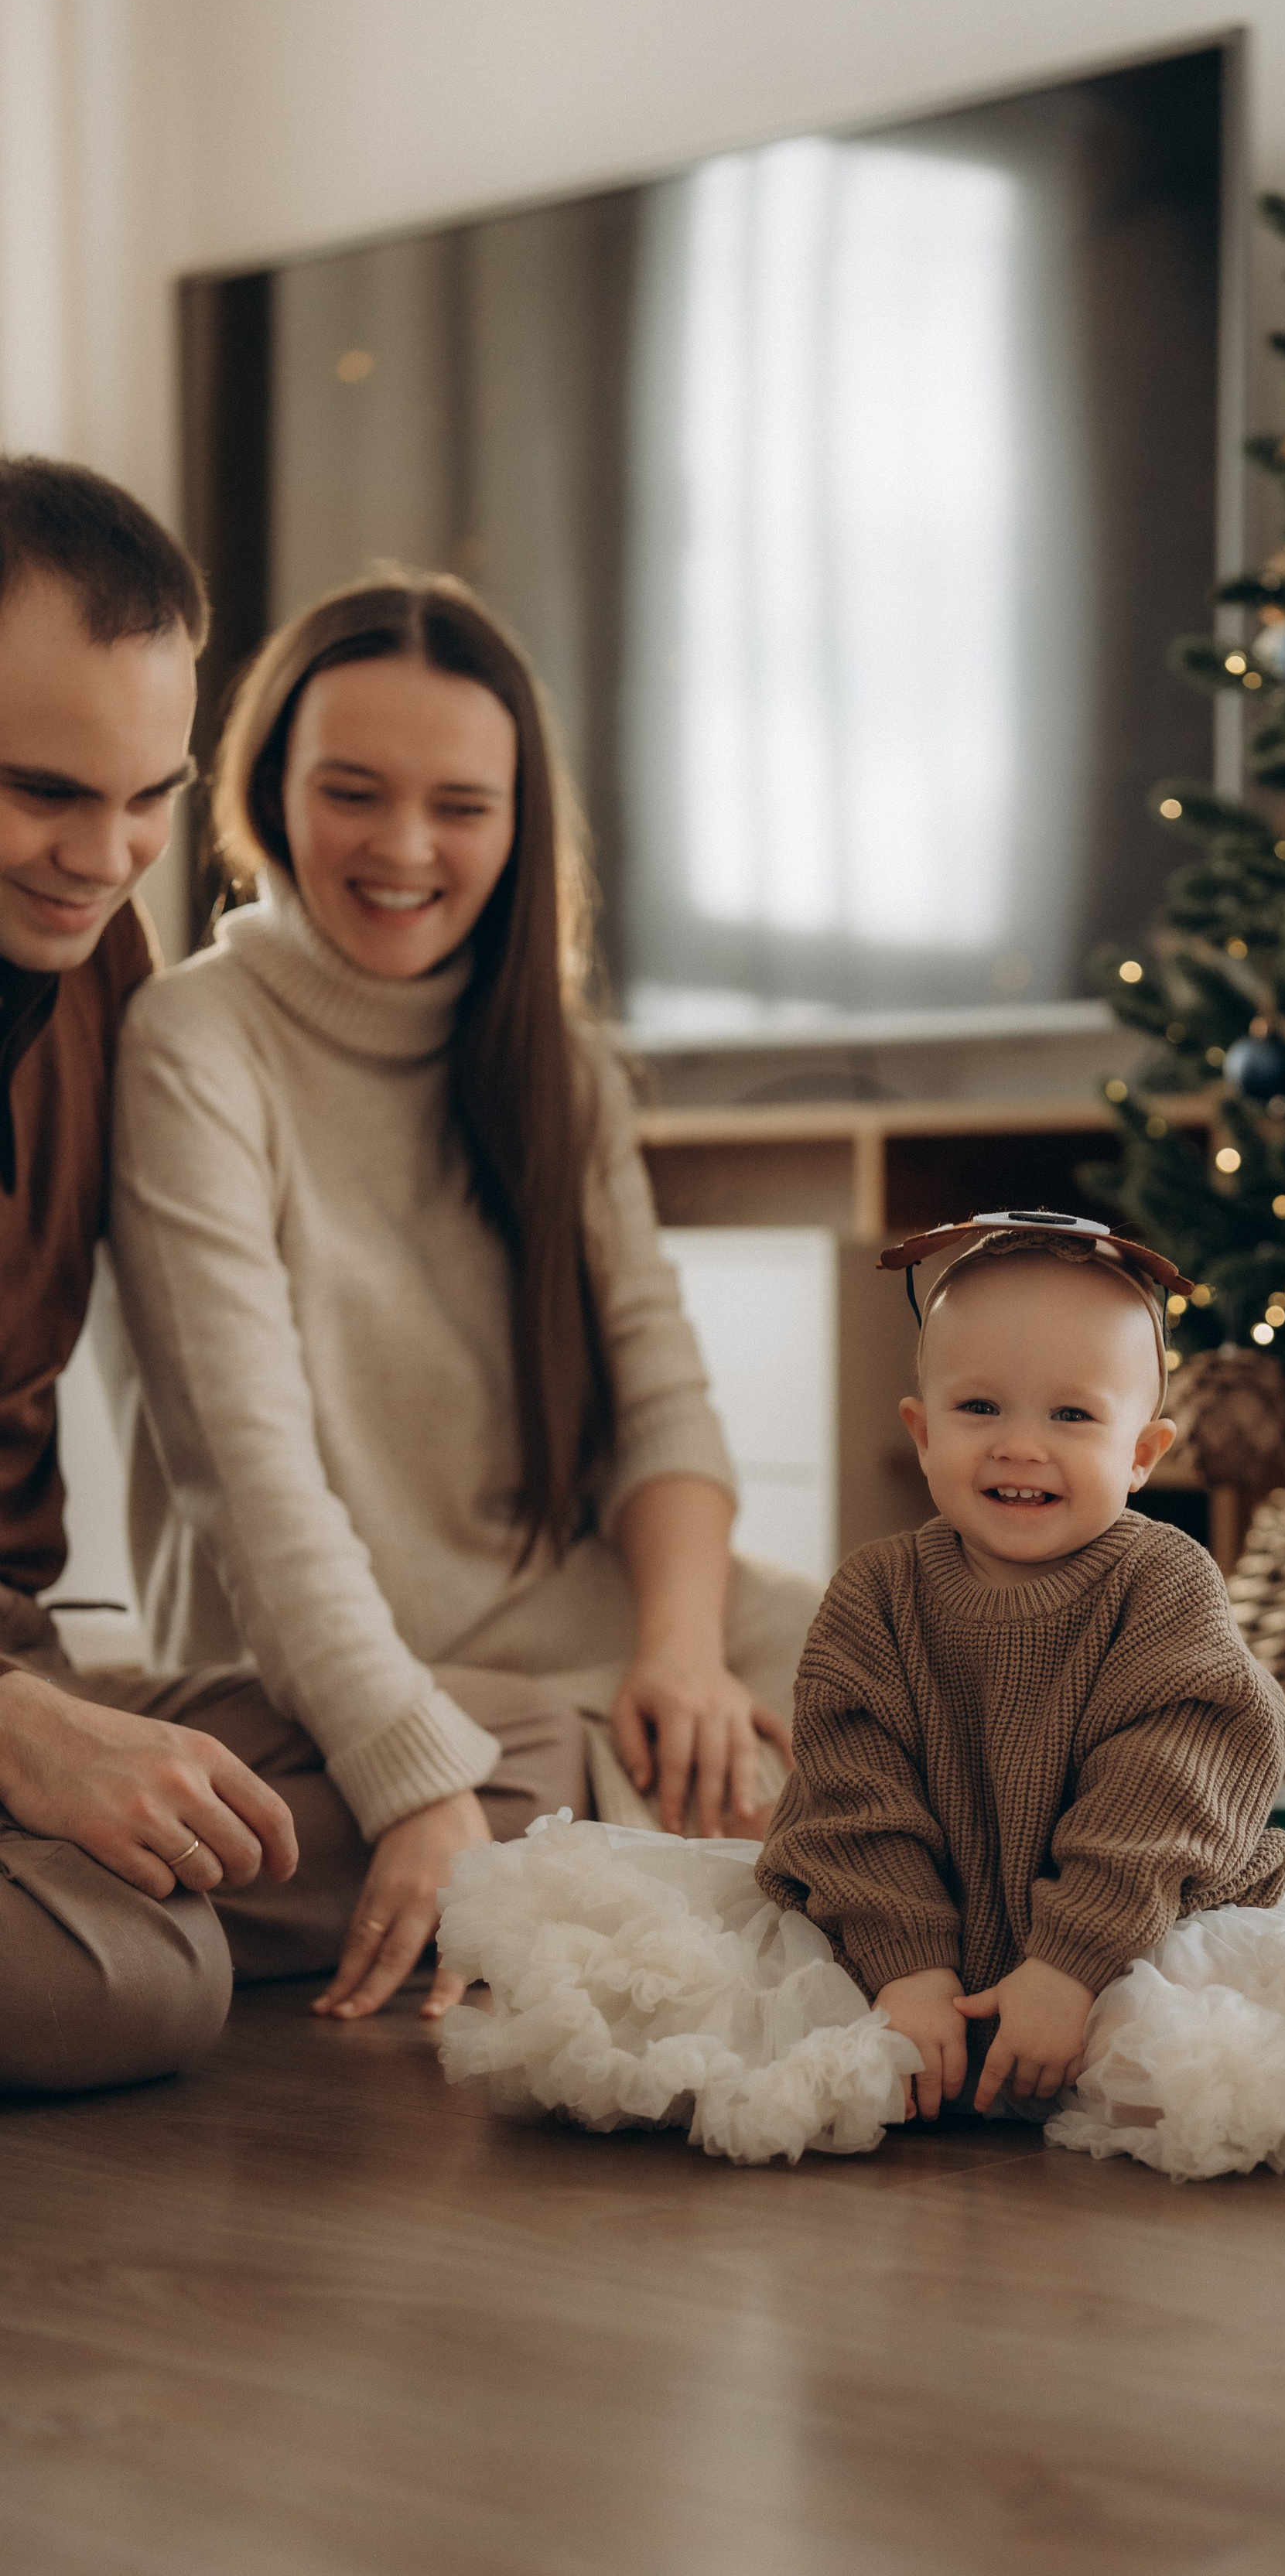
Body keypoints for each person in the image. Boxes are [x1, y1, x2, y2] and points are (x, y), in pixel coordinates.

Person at [436, 1218, 1285, 2179]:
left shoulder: (1162, 1581)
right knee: (695, 2009)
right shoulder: (878, 1595)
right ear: (922, 1429)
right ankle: (928, 2023)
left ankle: (1063, 2025)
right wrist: (903, 1963)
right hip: (907, 1938)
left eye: (1073, 1415)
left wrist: (1075, 1961)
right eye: (982, 1407)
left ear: (1145, 1450)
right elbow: (853, 1792)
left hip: (1145, 1933)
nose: (1022, 1447)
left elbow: (1175, 1777)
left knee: (1244, 2063)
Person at [110, 570, 817, 2030]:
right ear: (264, 791)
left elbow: (663, 1402)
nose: (407, 848)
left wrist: (679, 1651)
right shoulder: (198, 1039)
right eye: (352, 792)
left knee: (909, 1676)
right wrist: (420, 1781)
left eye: (462, 806)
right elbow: (254, 1482)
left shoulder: (555, 1060)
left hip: (574, 1611)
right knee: (556, 1770)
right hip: (333, 1649)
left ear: (519, 820)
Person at [0, 460, 580, 2094]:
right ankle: (126, 1922)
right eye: (42, 788)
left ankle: (112, 1897)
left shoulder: (102, 969)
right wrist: (20, 1732)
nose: (101, 857)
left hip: (31, 1669)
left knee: (517, 1753)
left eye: (146, 797)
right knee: (136, 1987)